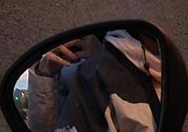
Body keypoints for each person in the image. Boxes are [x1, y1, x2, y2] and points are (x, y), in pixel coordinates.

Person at [26, 29, 162, 132]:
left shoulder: (130, 66)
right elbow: (41, 128)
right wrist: (44, 76)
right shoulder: (73, 74)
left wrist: (104, 56)